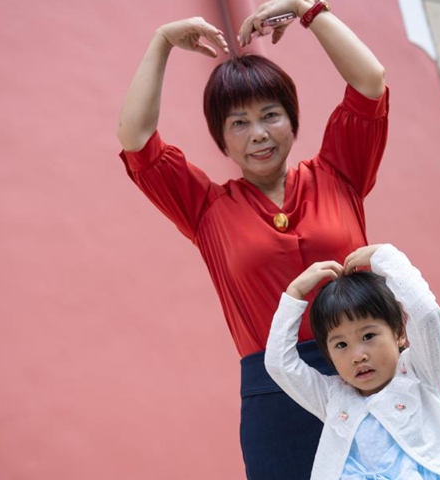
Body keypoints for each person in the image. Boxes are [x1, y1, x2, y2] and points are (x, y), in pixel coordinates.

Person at [116, 1, 387, 478]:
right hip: (275, 397)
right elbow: (136, 139)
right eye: (238, 123)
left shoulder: (339, 171)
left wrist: (308, 9)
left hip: (369, 373)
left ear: (292, 119)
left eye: (271, 115)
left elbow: (370, 81)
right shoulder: (205, 209)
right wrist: (161, 42)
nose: (258, 134)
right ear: (221, 139)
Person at [265, 244, 440, 479]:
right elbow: (278, 364)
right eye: (341, 345)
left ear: (399, 333)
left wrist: (386, 257)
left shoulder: (418, 376)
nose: (358, 356)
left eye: (368, 336)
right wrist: (294, 294)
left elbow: (427, 314)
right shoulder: (332, 397)